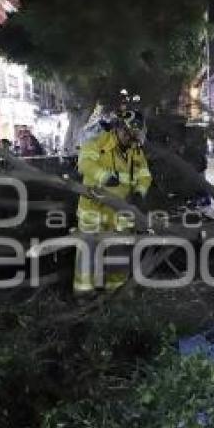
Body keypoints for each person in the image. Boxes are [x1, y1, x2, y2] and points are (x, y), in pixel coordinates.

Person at [74, 110, 151, 295]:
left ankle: (115, 289)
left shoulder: (135, 150)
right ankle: (83, 292)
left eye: (134, 135)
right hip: (93, 208)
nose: (130, 138)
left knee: (119, 250)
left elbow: (144, 175)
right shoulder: (97, 142)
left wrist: (141, 192)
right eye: (127, 133)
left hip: (121, 210)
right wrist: (104, 177)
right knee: (88, 249)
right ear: (118, 128)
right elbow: (85, 164)